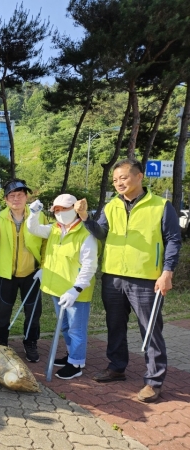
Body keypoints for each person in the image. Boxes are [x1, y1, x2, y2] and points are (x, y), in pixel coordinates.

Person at [75, 158, 182, 403]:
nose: (118, 183)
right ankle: (116, 368)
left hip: (146, 278)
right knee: (115, 325)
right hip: (113, 277)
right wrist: (85, 218)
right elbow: (101, 232)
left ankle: (154, 382)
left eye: (123, 177)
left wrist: (167, 272)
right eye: (115, 180)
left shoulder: (161, 205)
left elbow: (173, 240)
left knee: (151, 330)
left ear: (139, 176)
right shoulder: (112, 205)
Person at [27, 194, 98, 379]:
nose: (59, 213)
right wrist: (33, 213)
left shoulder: (85, 233)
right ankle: (71, 355)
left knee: (76, 328)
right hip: (57, 288)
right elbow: (33, 229)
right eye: (56, 210)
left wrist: (76, 289)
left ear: (74, 209)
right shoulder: (55, 229)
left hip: (75, 291)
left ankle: (76, 363)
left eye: (63, 209)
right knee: (65, 326)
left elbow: (90, 266)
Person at [0, 179, 46, 363]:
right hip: (7, 273)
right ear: (5, 199)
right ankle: (1, 342)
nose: (16, 199)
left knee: (33, 311)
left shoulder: (37, 215)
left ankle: (30, 342)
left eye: (20, 195)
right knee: (4, 310)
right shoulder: (1, 216)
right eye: (12, 195)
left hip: (31, 273)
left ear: (26, 197)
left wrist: (43, 266)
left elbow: (46, 242)